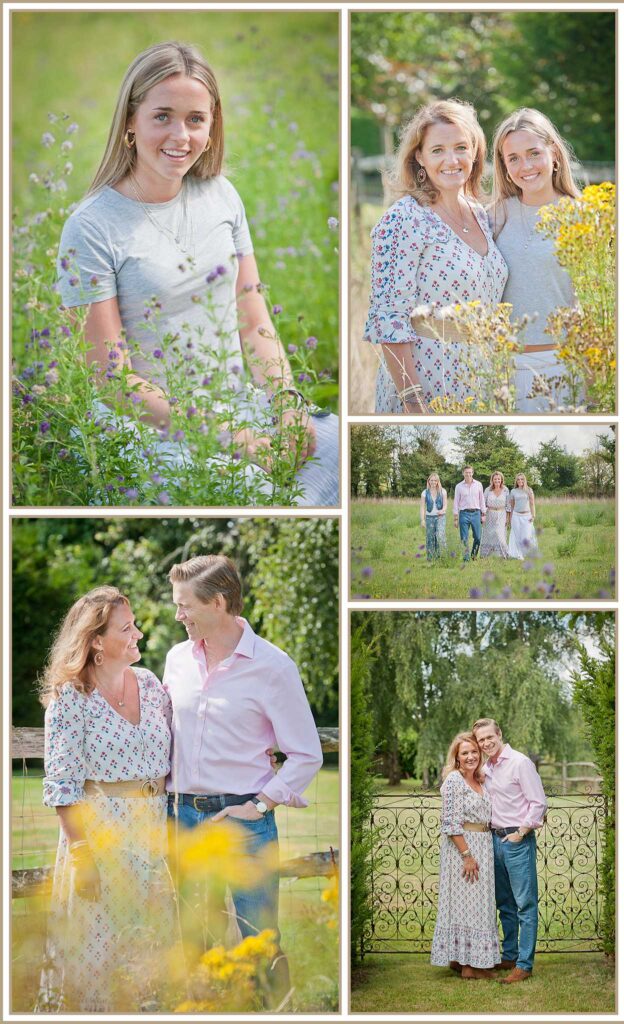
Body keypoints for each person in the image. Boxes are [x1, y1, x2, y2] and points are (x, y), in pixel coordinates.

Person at [54, 42, 339, 507]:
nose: (180, 135)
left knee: (338, 455)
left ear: (212, 124)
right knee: (270, 500)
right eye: (162, 116)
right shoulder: (90, 227)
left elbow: (253, 318)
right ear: (130, 121)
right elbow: (110, 380)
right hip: (154, 425)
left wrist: (287, 403)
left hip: (237, 403)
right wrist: (234, 439)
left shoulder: (221, 195)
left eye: (195, 119)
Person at [164, 555, 323, 1005]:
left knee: (261, 941)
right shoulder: (176, 659)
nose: (177, 615)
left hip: (245, 820)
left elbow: (306, 754)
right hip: (182, 818)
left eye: (184, 605)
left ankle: (273, 1010)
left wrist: (260, 805)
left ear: (217, 603)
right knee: (194, 941)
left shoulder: (273, 666)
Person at [38, 587, 174, 1012]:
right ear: (96, 640)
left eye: (134, 625)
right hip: (99, 840)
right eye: (126, 627)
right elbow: (62, 783)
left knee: (153, 950)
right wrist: (81, 854)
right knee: (95, 953)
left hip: (155, 835)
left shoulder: (151, 685)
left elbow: (184, 743)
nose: (138, 634)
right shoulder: (70, 697)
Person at [364, 99, 509, 413]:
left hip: (482, 382)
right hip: (426, 383)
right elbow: (389, 321)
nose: (451, 160)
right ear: (419, 157)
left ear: (474, 151)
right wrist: (414, 401)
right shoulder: (403, 220)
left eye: (460, 147)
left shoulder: (482, 215)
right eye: (438, 150)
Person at [491, 108, 580, 411]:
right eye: (513, 158)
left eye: (533, 153)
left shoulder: (582, 216)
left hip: (561, 367)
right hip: (501, 370)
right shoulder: (494, 216)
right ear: (503, 165)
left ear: (553, 152)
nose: (524, 166)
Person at [473, 718, 547, 984]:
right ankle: (510, 954)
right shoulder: (487, 768)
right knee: (504, 903)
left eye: (489, 737)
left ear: (499, 734)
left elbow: (538, 803)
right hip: (494, 840)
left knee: (524, 904)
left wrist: (522, 833)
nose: (486, 743)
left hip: (517, 840)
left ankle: (524, 965)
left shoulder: (520, 763)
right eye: (481, 740)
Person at [430, 732, 500, 979]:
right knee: (467, 906)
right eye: (465, 753)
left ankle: (460, 960)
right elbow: (450, 824)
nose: (470, 757)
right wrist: (467, 856)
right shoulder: (454, 781)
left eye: (474, 752)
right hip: (464, 849)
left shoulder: (479, 780)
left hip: (483, 844)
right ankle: (471, 967)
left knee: (479, 905)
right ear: (457, 758)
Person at [453, 466, 486, 563]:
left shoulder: (478, 484)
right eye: (466, 472)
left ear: (473, 473)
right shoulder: (459, 486)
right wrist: (455, 517)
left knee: (478, 537)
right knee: (464, 538)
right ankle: (466, 558)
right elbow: (456, 502)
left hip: (476, 513)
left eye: (470, 472)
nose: (468, 474)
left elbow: (482, 500)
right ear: (463, 473)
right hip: (464, 514)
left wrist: (483, 514)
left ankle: (473, 555)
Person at [480, 470, 510, 558]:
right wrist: (483, 515)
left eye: (499, 479)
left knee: (500, 535)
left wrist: (508, 518)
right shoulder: (488, 490)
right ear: (492, 480)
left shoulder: (505, 490)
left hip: (501, 514)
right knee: (489, 534)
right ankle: (485, 555)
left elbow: (508, 506)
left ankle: (504, 555)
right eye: (495, 479)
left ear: (501, 480)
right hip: (490, 514)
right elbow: (483, 503)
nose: (497, 481)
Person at [507, 473, 537, 559]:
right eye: (518, 479)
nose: (520, 481)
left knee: (526, 536)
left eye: (522, 479)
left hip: (527, 516)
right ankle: (519, 554)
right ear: (516, 481)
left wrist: (533, 515)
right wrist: (511, 518)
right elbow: (512, 506)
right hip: (516, 516)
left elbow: (532, 504)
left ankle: (525, 552)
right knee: (517, 535)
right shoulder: (513, 491)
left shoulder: (529, 490)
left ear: (524, 480)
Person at [420, 472, 448, 561]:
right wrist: (422, 520)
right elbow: (422, 507)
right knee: (430, 537)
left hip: (440, 517)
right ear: (428, 481)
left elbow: (445, 505)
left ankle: (442, 556)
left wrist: (443, 510)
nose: (433, 482)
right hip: (429, 518)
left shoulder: (443, 491)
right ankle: (431, 558)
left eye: (435, 480)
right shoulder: (424, 492)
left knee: (440, 536)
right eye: (431, 480)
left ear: (438, 481)